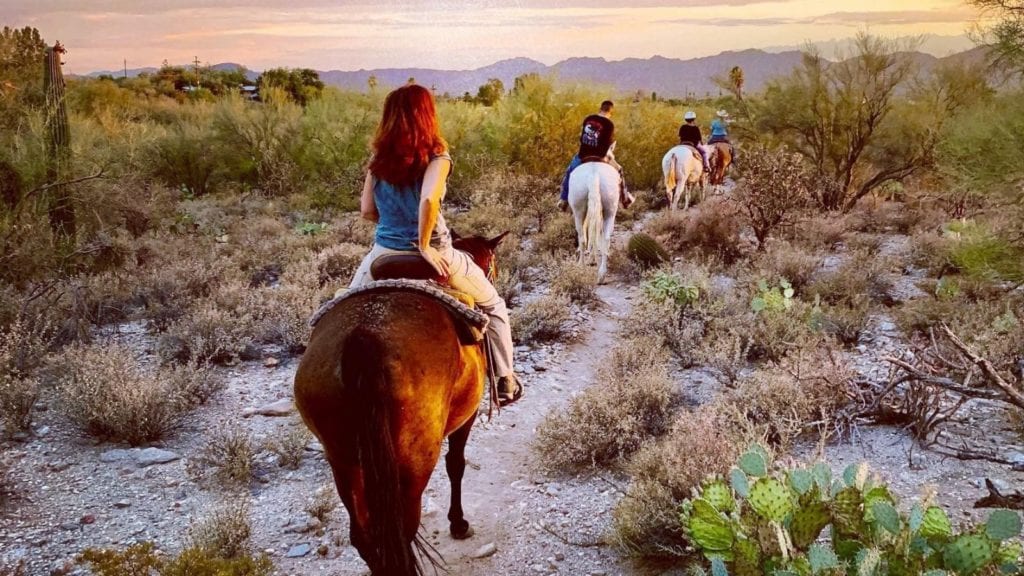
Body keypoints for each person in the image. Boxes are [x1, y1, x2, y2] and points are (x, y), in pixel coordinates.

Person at [348, 84, 523, 406]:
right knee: (494, 307)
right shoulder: (438, 158)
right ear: (428, 116)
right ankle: (504, 379)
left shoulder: (377, 161)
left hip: (384, 253)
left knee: (338, 309)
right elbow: (428, 198)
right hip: (438, 254)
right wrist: (425, 245)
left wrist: (394, 227)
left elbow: (367, 211)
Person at [557, 100, 632, 212]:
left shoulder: (588, 119)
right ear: (611, 112)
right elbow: (607, 144)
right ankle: (625, 198)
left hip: (583, 155)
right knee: (620, 170)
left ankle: (563, 200)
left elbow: (581, 138)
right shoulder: (609, 124)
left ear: (600, 108)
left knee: (569, 171)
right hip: (601, 156)